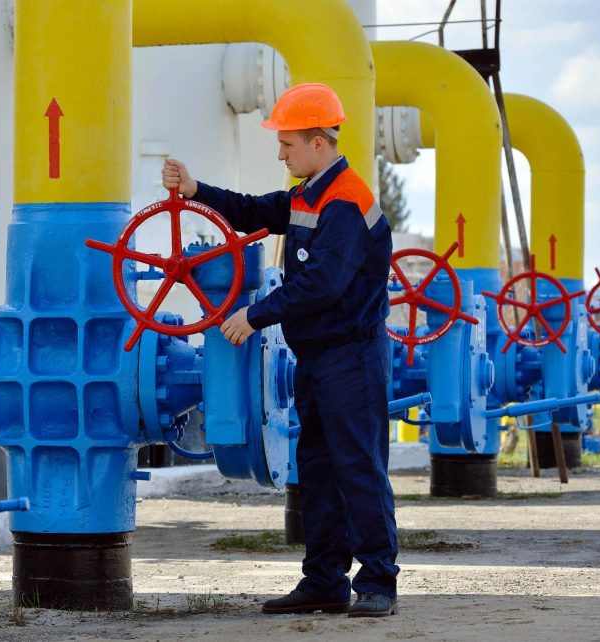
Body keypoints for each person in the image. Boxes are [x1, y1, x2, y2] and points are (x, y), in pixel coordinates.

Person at [162, 82, 398, 618]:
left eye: (287, 144)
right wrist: (196, 189)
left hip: (352, 357)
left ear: (318, 142)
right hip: (319, 356)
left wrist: (254, 316)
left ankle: (378, 582)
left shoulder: (345, 201)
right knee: (316, 468)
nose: (280, 154)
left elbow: (322, 285)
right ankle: (325, 581)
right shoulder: (307, 194)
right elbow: (252, 210)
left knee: (358, 467)